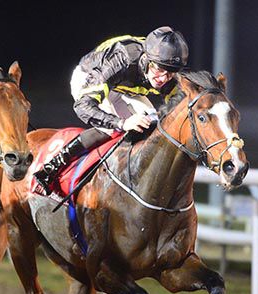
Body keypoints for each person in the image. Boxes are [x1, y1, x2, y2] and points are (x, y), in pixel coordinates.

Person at [34, 26, 189, 195]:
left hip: (124, 87)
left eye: (170, 73)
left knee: (153, 124)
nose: (163, 79)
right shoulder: (121, 61)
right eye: (159, 70)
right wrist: (122, 123)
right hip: (90, 78)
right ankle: (50, 169)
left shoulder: (165, 71)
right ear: (147, 59)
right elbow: (83, 106)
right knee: (110, 129)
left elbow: (179, 106)